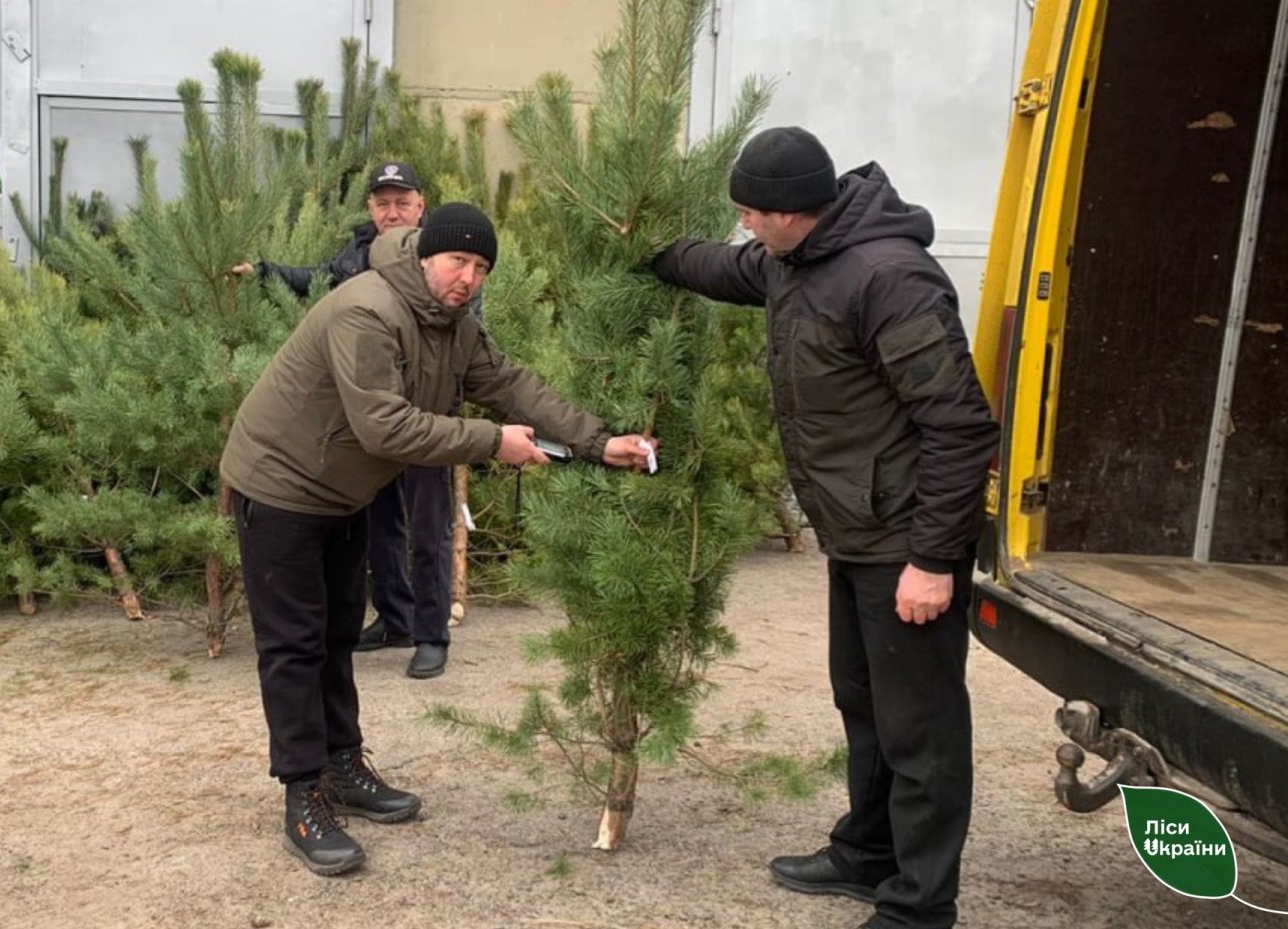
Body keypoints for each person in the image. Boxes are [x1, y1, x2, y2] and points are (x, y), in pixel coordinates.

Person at [221, 202, 656, 877]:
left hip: (342, 491)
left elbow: (511, 386)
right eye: (459, 261)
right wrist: (492, 443)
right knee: (294, 648)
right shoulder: (367, 311)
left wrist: (599, 443)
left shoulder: (453, 326)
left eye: (482, 267)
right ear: (426, 256)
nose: (469, 278)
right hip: (280, 486)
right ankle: (303, 795)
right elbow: (385, 428)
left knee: (337, 637)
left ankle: (341, 766)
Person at [649, 127, 998, 929]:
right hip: (858, 531)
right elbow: (723, 268)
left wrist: (934, 560)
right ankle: (867, 854)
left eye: (749, 214)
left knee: (921, 729)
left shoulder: (891, 279)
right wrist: (649, 254)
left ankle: (920, 907)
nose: (744, 229)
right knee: (865, 705)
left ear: (790, 213)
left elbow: (960, 426)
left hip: (906, 541)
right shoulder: (797, 261)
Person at [233, 162, 458, 680]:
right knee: (379, 526)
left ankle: (431, 635)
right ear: (370, 208)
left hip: (425, 417)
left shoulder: (445, 256)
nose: (392, 211)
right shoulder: (357, 257)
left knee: (428, 530)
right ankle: (395, 618)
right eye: (383, 202)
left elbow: (464, 339)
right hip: (369, 419)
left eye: (402, 201)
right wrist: (264, 271)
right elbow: (315, 281)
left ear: (422, 205)